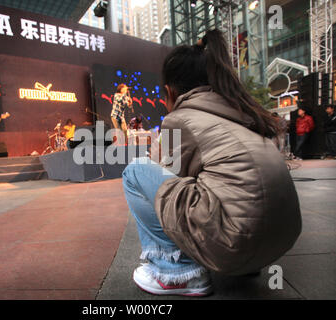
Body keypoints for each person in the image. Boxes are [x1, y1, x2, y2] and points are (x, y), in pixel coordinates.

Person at [122, 29, 301, 296]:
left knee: (136, 171)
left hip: (236, 244)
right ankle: (237, 264)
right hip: (277, 243)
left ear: (169, 92)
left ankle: (177, 271)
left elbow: (162, 175)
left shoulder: (180, 118)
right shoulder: (241, 113)